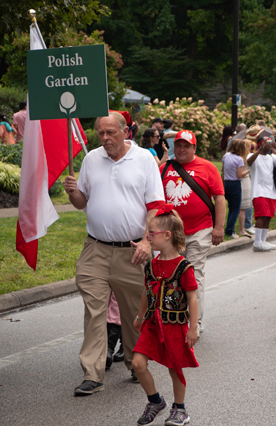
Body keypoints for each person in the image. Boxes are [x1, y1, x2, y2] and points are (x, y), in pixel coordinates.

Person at [63, 112, 165, 395]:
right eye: (100, 133)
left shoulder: (144, 159)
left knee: (134, 313)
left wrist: (147, 242)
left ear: (126, 131)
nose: (105, 138)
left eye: (110, 132)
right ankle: (92, 374)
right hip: (95, 248)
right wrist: (72, 192)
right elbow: (82, 202)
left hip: (133, 250)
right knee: (94, 311)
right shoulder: (91, 159)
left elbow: (156, 205)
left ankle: (135, 362)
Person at [132, 204, 198, 426]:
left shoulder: (184, 267)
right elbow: (146, 292)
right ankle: (155, 401)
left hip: (175, 326)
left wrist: (194, 328)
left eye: (152, 234)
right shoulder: (151, 265)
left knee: (174, 367)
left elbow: (192, 298)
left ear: (168, 235)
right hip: (152, 324)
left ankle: (180, 409)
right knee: (138, 363)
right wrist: (140, 317)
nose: (148, 237)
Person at [160, 130, 225, 334]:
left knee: (193, 275)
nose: (181, 149)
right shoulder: (164, 169)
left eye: (186, 146)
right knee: (171, 277)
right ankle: (172, 316)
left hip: (200, 230)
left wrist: (219, 227)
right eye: (178, 145)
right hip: (171, 233)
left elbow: (220, 198)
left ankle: (194, 322)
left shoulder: (208, 168)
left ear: (194, 148)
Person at [247, 134, 276, 251]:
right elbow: (249, 162)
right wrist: (259, 150)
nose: (269, 145)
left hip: (271, 191)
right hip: (259, 191)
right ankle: (257, 243)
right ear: (260, 144)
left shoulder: (271, 157)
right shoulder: (253, 155)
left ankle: (263, 241)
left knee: (268, 217)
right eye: (267, 143)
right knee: (261, 216)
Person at [222, 139, 250, 238]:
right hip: (235, 184)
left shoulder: (226, 156)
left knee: (231, 207)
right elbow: (239, 175)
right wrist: (248, 171)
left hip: (226, 183)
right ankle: (230, 230)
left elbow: (222, 170)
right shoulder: (239, 159)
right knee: (235, 209)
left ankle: (228, 228)